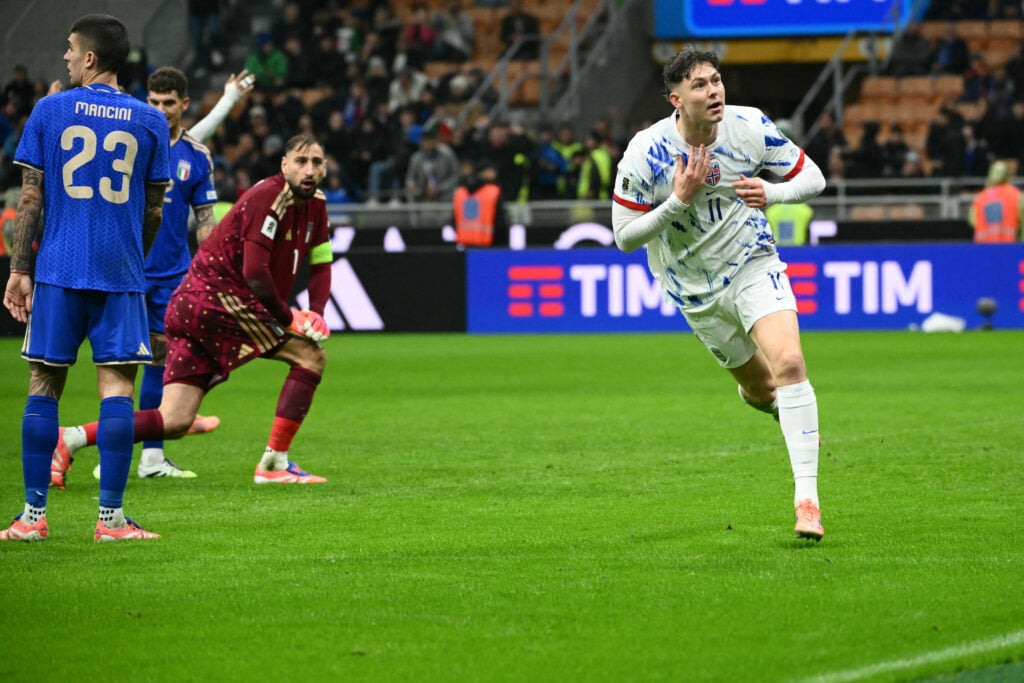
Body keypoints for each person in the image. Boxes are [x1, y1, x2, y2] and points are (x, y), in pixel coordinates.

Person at [611, 49, 828, 540]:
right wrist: (677, 200)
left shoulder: (748, 126)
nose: (714, 92)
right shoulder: (647, 151)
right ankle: (780, 405)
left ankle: (807, 501)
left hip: (753, 263)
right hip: (695, 292)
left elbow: (813, 177)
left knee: (791, 365)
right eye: (701, 85)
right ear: (676, 99)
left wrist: (771, 194)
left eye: (717, 80)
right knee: (762, 390)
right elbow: (624, 236)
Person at [52, 134, 333, 485]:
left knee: (174, 420)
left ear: (325, 167)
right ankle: (274, 464)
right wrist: (291, 317)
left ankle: (71, 438)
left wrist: (317, 311)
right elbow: (255, 274)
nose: (309, 169)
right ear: (284, 165)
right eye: (301, 161)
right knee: (310, 356)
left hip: (190, 304)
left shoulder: (316, 205)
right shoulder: (269, 197)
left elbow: (321, 261)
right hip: (219, 300)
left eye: (316, 162)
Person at [2, 14, 171, 542]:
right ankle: (111, 521)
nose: (67, 58)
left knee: (43, 385)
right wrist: (129, 257)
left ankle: (32, 519)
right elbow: (155, 211)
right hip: (118, 274)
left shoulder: (49, 110)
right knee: (118, 389)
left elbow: (31, 198)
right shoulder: (150, 121)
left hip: (57, 267)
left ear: (91, 58)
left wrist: (19, 269)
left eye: (71, 50)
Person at [52, 68, 255, 488]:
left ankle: (152, 457)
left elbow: (204, 220)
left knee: (163, 360)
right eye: (155, 102)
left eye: (169, 103)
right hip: (124, 273)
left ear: (183, 104)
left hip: (174, 278)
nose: (161, 111)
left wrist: (210, 268)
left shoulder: (196, 155)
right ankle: (109, 452)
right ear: (147, 102)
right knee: (121, 367)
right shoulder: (133, 146)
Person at [453, 160, 508, 246]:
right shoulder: (493, 192)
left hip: (463, 245)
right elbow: (500, 222)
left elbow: (453, 220)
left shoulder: (460, 192)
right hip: (488, 244)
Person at [970, 160, 1023, 242]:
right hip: (1010, 248)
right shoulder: (1017, 196)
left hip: (983, 248)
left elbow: (973, 221)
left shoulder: (980, 198)